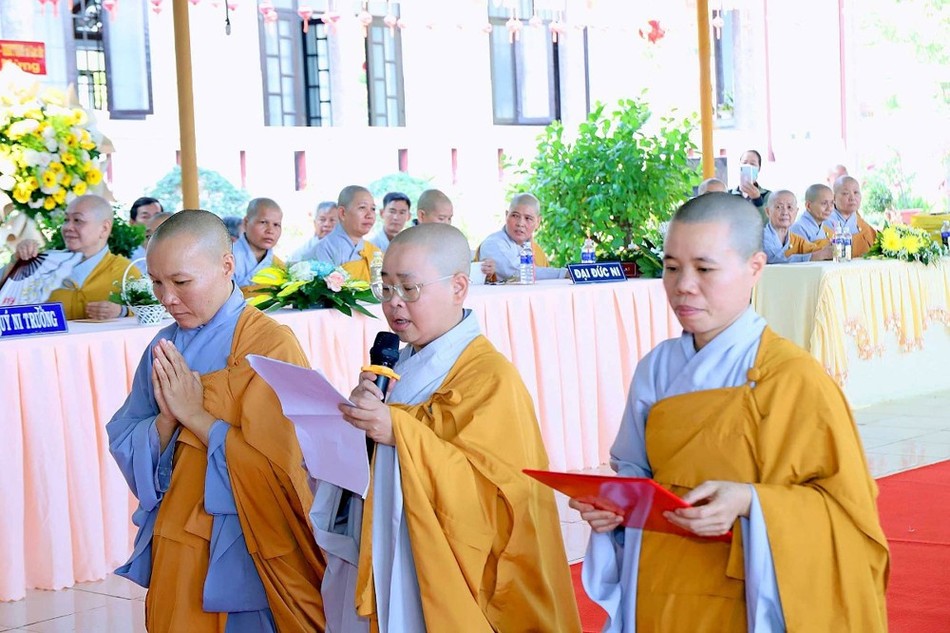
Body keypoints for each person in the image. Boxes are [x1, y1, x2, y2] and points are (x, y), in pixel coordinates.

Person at [570, 192, 889, 632]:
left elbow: (847, 513)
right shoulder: (656, 368)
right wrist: (614, 506)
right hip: (659, 582)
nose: (683, 285)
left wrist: (749, 501)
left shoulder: (792, 377)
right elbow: (634, 474)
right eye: (671, 267)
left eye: (704, 269)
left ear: (755, 268)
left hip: (748, 594)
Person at [313, 223, 581, 632]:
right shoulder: (398, 367)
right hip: (393, 551)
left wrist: (397, 431)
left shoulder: (491, 379)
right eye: (385, 289)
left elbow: (497, 500)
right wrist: (361, 428)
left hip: (451, 579)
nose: (394, 304)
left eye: (409, 289)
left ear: (459, 287)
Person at [107, 210, 326, 632]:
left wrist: (196, 416)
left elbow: (283, 466)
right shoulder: (164, 344)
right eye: (156, 282)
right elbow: (127, 434)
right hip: (178, 532)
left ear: (227, 265)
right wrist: (167, 421)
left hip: (246, 537)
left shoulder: (268, 343)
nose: (167, 298)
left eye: (181, 282)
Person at [6, 194, 138, 320]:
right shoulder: (44, 264)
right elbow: (7, 298)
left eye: (77, 220)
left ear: (104, 228)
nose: (68, 227)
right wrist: (17, 262)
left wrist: (122, 311)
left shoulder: (125, 271)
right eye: (66, 220)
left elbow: (153, 310)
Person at [477, 193, 566, 281]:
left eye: (528, 218)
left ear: (538, 222)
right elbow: (517, 272)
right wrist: (563, 273)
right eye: (515, 216)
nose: (520, 223)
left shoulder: (537, 250)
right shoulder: (493, 244)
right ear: (506, 215)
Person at [311, 186, 381, 281]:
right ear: (343, 213)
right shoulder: (324, 249)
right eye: (362, 207)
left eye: (373, 209)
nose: (370, 215)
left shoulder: (374, 252)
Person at [763, 190, 833, 263]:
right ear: (768, 211)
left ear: (796, 212)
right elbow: (774, 260)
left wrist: (830, 250)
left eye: (789, 207)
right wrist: (816, 256)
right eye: (778, 207)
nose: (785, 212)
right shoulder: (761, 237)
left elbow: (814, 249)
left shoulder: (794, 239)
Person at [233, 197, 284, 293]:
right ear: (246, 222)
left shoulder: (278, 265)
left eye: (276, 225)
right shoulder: (227, 258)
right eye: (263, 222)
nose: (270, 230)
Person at [831, 175, 877, 258]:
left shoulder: (863, 225)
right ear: (833, 198)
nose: (852, 198)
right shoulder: (824, 223)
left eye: (856, 192)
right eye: (846, 193)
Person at [129, 197, 165, 263]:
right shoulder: (126, 256)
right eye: (145, 217)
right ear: (132, 223)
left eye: (157, 216)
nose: (152, 220)